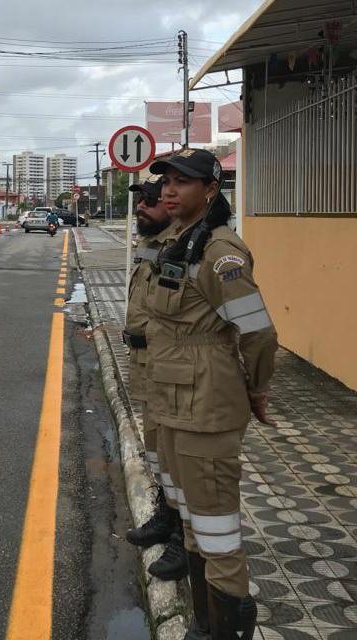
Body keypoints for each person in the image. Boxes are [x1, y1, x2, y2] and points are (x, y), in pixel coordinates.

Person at [145, 148, 277, 640]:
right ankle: (204, 625)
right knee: (194, 525)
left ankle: (228, 626)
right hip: (173, 400)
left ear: (210, 190)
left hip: (206, 404)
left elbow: (257, 331)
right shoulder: (180, 240)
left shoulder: (221, 252)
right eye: (166, 181)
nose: (169, 190)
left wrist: (257, 388)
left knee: (216, 531)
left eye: (182, 181)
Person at [123, 175, 189, 584]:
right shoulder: (151, 244)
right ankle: (167, 515)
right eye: (141, 200)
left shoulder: (186, 247)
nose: (141, 207)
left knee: (178, 455)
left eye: (149, 200)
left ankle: (185, 536)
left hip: (174, 367)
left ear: (170, 204)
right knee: (156, 450)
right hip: (145, 362)